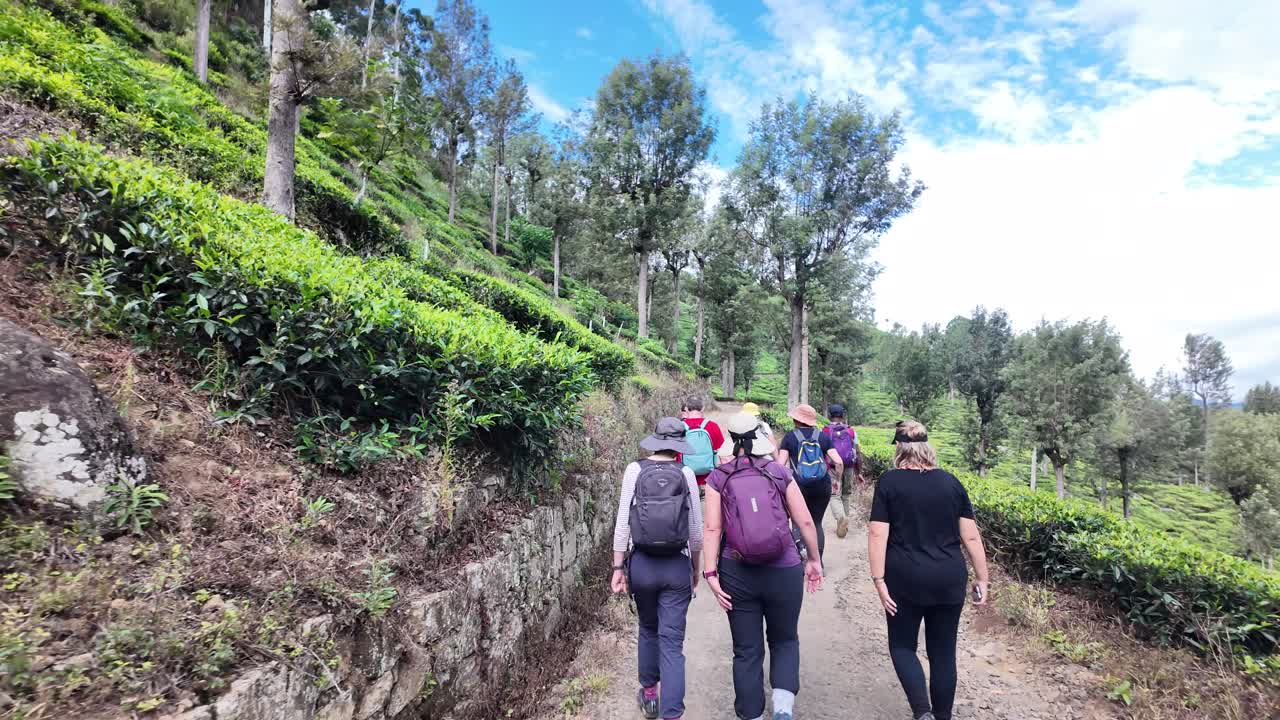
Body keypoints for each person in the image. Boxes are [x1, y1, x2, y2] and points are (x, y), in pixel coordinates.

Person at [702, 412, 823, 720]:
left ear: (730, 439)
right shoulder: (778, 472)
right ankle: (782, 709)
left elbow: (713, 529)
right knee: (785, 639)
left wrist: (710, 573)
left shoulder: (719, 477)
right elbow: (804, 521)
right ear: (758, 437)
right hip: (784, 568)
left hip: (736, 570)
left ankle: (751, 714)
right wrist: (814, 559)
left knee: (746, 649)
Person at [867, 421, 991, 720]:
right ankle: (942, 716)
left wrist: (878, 580)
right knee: (943, 653)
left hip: (904, 578)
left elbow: (877, 533)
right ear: (927, 447)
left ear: (899, 448)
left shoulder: (889, 482)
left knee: (902, 646)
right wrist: (982, 578)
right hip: (948, 577)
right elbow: (971, 537)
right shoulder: (951, 483)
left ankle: (922, 711)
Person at [611, 417, 705, 720]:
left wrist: (618, 567)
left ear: (655, 440)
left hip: (642, 566)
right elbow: (696, 532)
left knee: (648, 628)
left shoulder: (634, 470)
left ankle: (650, 696)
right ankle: (672, 713)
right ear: (679, 446)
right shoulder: (686, 473)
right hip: (676, 566)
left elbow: (623, 523)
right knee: (672, 643)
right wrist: (694, 570)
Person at [774, 403, 844, 559]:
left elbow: (780, 465)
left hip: (798, 486)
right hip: (822, 485)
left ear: (797, 420)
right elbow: (838, 462)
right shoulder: (823, 436)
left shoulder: (790, 437)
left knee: (798, 522)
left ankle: (800, 559)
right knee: (816, 523)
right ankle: (818, 561)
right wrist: (837, 481)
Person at [822, 404, 863, 539]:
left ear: (830, 416)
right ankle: (845, 523)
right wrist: (859, 472)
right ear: (843, 416)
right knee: (846, 494)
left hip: (833, 467)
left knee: (834, 494)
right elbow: (858, 452)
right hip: (849, 466)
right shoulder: (851, 431)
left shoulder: (825, 431)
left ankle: (841, 518)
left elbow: (821, 452)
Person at [677, 395, 727, 490]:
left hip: (685, 478)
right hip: (708, 480)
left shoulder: (678, 427)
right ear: (703, 408)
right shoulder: (713, 426)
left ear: (686, 409)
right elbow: (720, 450)